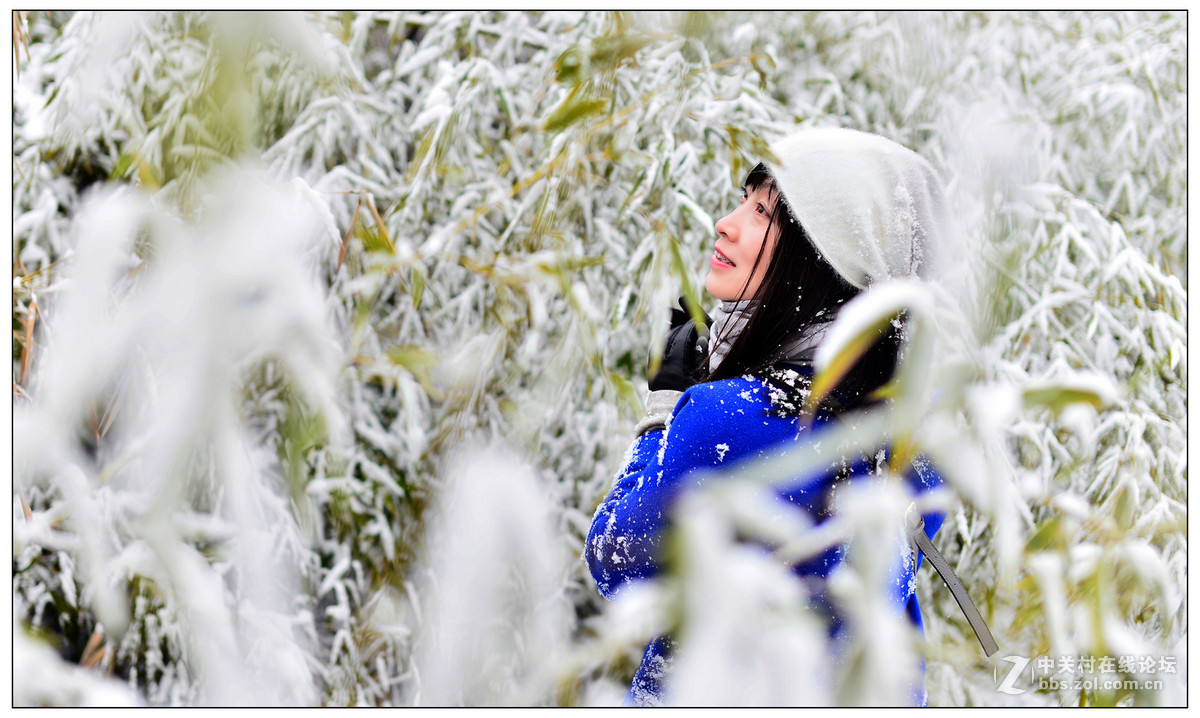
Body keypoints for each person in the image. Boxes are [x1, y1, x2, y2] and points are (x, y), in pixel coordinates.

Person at [584, 127, 953, 705]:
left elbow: (618, 560)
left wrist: (664, 409)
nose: (726, 223)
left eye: (763, 212)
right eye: (744, 199)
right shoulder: (917, 430)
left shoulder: (727, 422)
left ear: (826, 256)